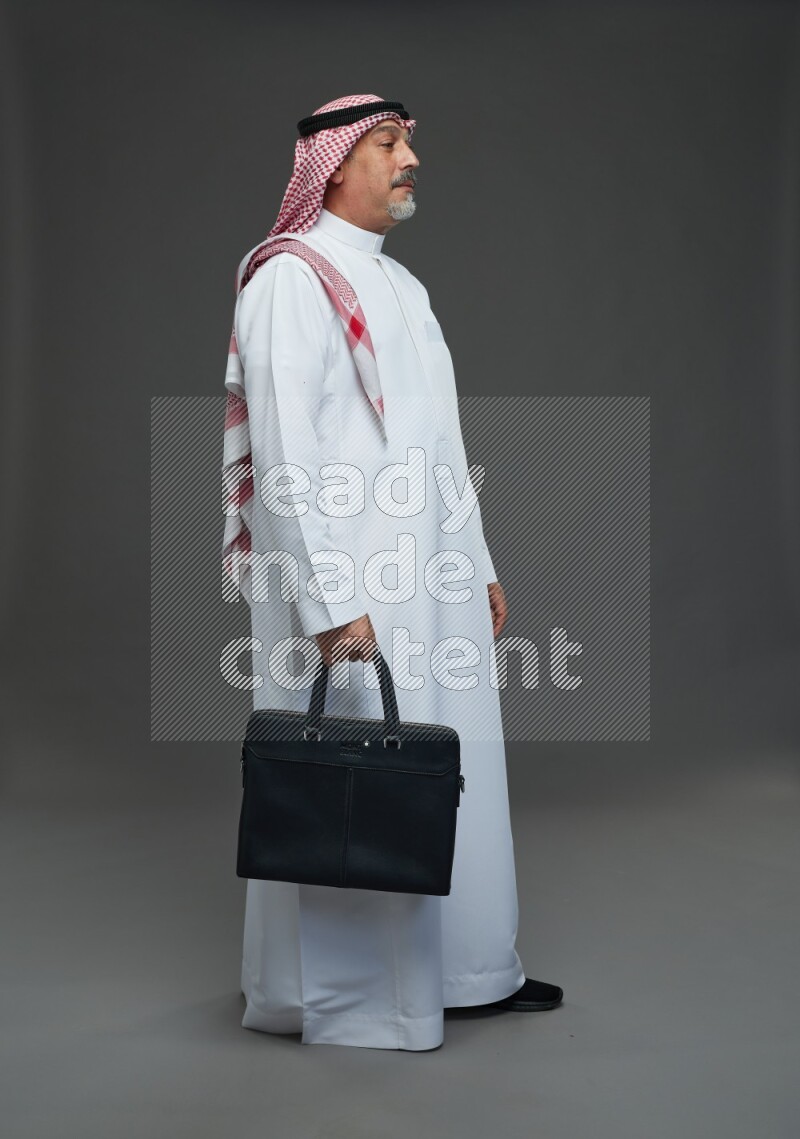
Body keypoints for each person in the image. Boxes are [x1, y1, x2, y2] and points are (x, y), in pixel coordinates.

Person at [221, 94, 563, 1050]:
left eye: (408, 143)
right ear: (331, 166)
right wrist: (333, 609)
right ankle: (360, 1004)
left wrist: (478, 560)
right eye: (387, 144)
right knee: (354, 778)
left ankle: (466, 971)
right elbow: (283, 455)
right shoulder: (292, 281)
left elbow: (441, 446)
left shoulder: (402, 289)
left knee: (448, 767)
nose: (409, 158)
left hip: (433, 573)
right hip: (355, 583)